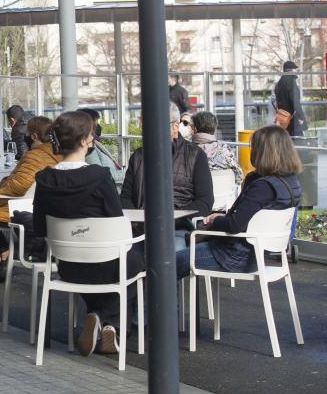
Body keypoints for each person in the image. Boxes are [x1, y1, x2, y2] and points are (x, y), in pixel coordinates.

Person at [33, 111, 145, 356]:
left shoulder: (44, 179)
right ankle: (110, 324)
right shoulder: (99, 176)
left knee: (103, 269)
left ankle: (101, 320)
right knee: (136, 261)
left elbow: (40, 227)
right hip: (107, 263)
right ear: (84, 140)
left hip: (69, 266)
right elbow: (117, 221)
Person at [176, 126, 302, 279]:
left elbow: (234, 225)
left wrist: (216, 220)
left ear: (263, 152)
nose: (251, 151)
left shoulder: (262, 187)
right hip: (260, 255)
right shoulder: (292, 183)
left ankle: (158, 303)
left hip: (233, 256)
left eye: (253, 147)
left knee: (169, 262)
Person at [120, 102, 213, 250]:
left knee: (172, 257)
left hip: (177, 230)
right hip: (139, 230)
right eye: (144, 125)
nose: (146, 131)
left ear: (175, 126)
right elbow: (125, 198)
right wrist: (137, 221)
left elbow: (205, 202)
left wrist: (172, 218)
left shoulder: (195, 155)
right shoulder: (138, 156)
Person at [0, 116, 60, 281]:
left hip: (19, 208)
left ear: (34, 136)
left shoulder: (35, 156)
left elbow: (19, 185)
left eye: (27, 133)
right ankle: (4, 255)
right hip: (42, 209)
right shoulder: (57, 154)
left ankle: (2, 257)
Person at [192, 111, 243, 184]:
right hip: (224, 194)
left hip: (196, 194)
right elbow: (239, 177)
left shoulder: (187, 150)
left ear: (195, 128)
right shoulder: (224, 149)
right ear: (214, 128)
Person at [81, 108, 125, 189]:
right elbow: (100, 174)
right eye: (96, 123)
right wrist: (125, 173)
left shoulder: (96, 143)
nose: (98, 126)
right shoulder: (87, 147)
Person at [274, 61, 307, 137]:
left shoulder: (280, 82)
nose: (296, 71)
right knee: (298, 140)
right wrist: (300, 116)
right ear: (291, 70)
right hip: (292, 117)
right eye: (295, 69)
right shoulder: (291, 82)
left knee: (286, 138)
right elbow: (295, 101)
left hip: (283, 116)